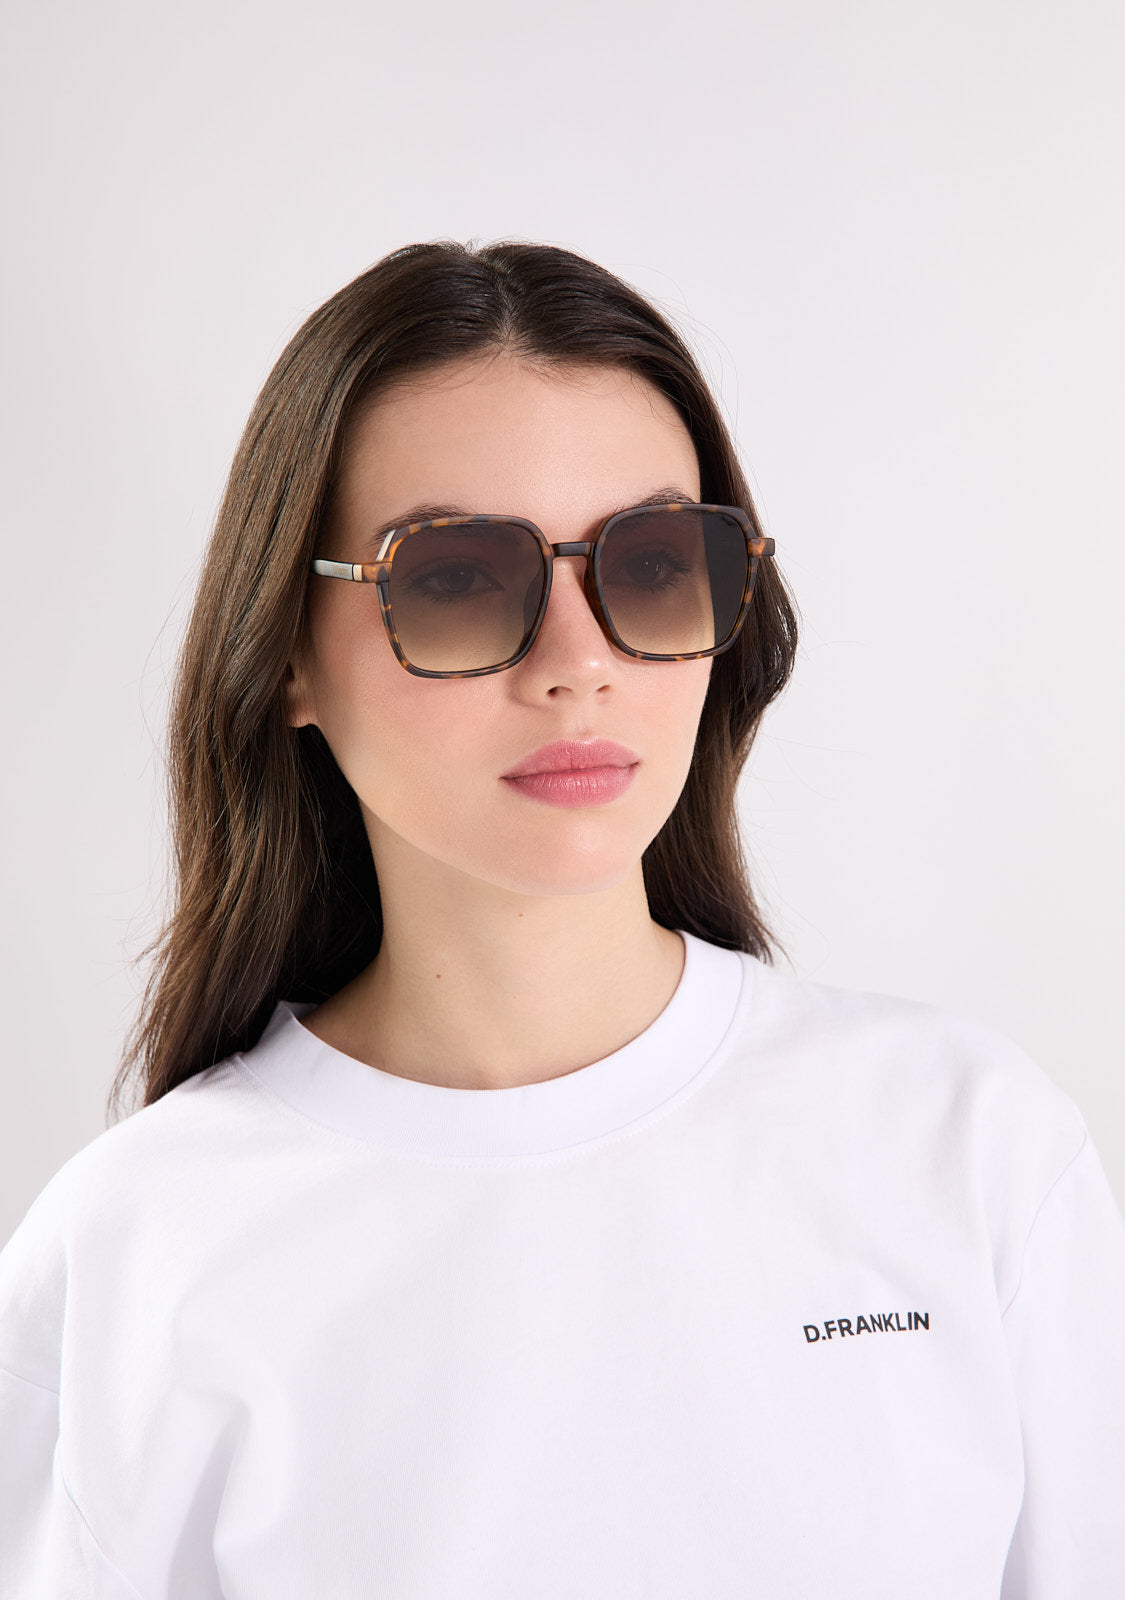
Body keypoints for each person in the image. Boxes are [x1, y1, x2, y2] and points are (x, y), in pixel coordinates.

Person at [1, 240, 1122, 1599]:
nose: (579, 664)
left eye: (652, 563)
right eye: (456, 578)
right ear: (287, 649)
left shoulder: (969, 1149)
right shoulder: (137, 1253)